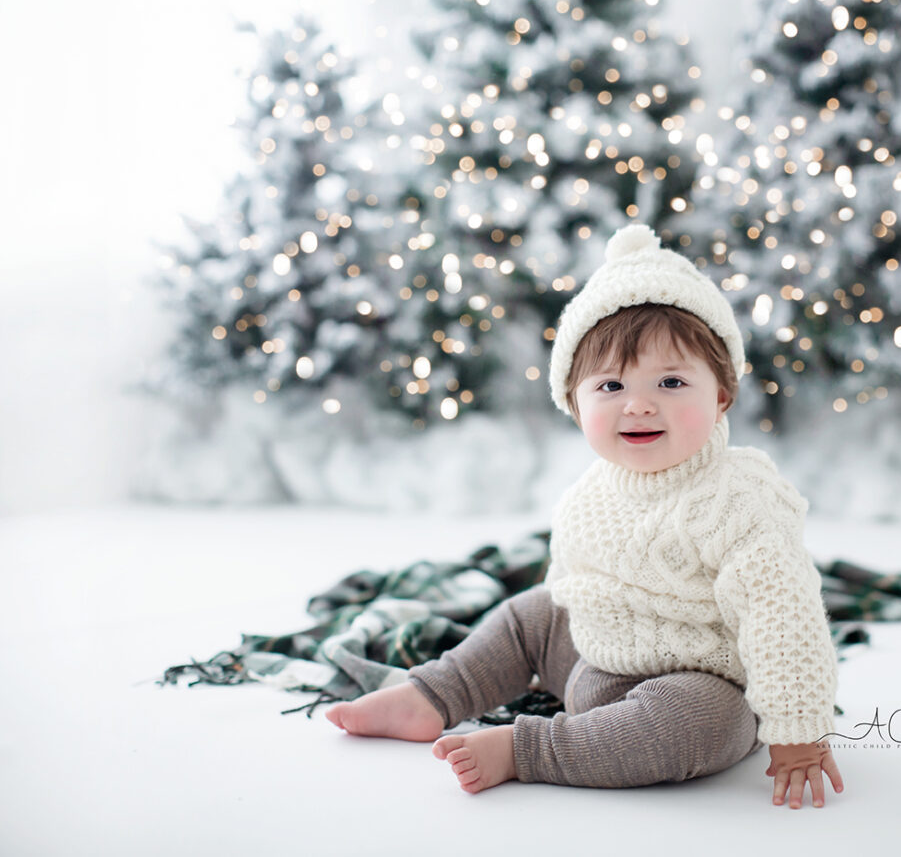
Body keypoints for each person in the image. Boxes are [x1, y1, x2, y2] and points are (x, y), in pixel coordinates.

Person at [327, 224, 843, 809]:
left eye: (672, 382)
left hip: (700, 683)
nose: (640, 403)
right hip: (597, 660)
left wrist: (798, 729)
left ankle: (531, 750)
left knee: (699, 720)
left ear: (721, 394)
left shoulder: (739, 495)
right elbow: (573, 585)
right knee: (533, 614)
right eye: (611, 385)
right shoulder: (587, 494)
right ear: (575, 403)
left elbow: (784, 612)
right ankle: (433, 695)